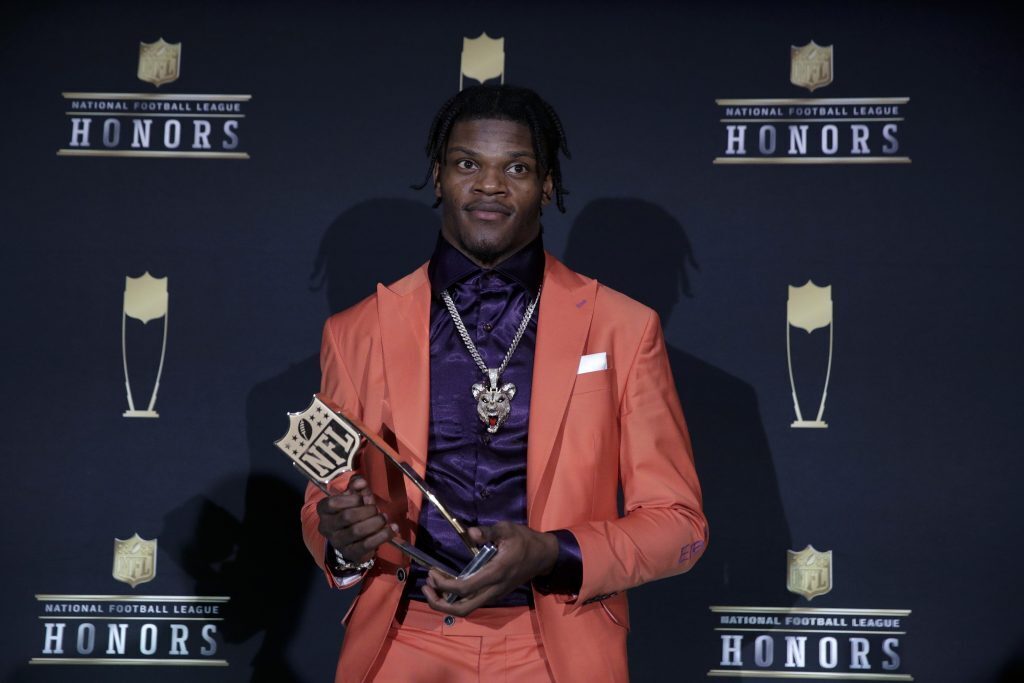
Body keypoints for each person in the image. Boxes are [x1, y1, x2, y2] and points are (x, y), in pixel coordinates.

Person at [301, 84, 707, 683]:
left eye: (516, 167)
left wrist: (551, 553)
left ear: (546, 184)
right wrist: (340, 537)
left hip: (558, 648)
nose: (490, 185)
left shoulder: (626, 327)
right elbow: (322, 503)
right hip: (401, 642)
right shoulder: (351, 332)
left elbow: (680, 525)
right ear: (438, 176)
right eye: (468, 164)